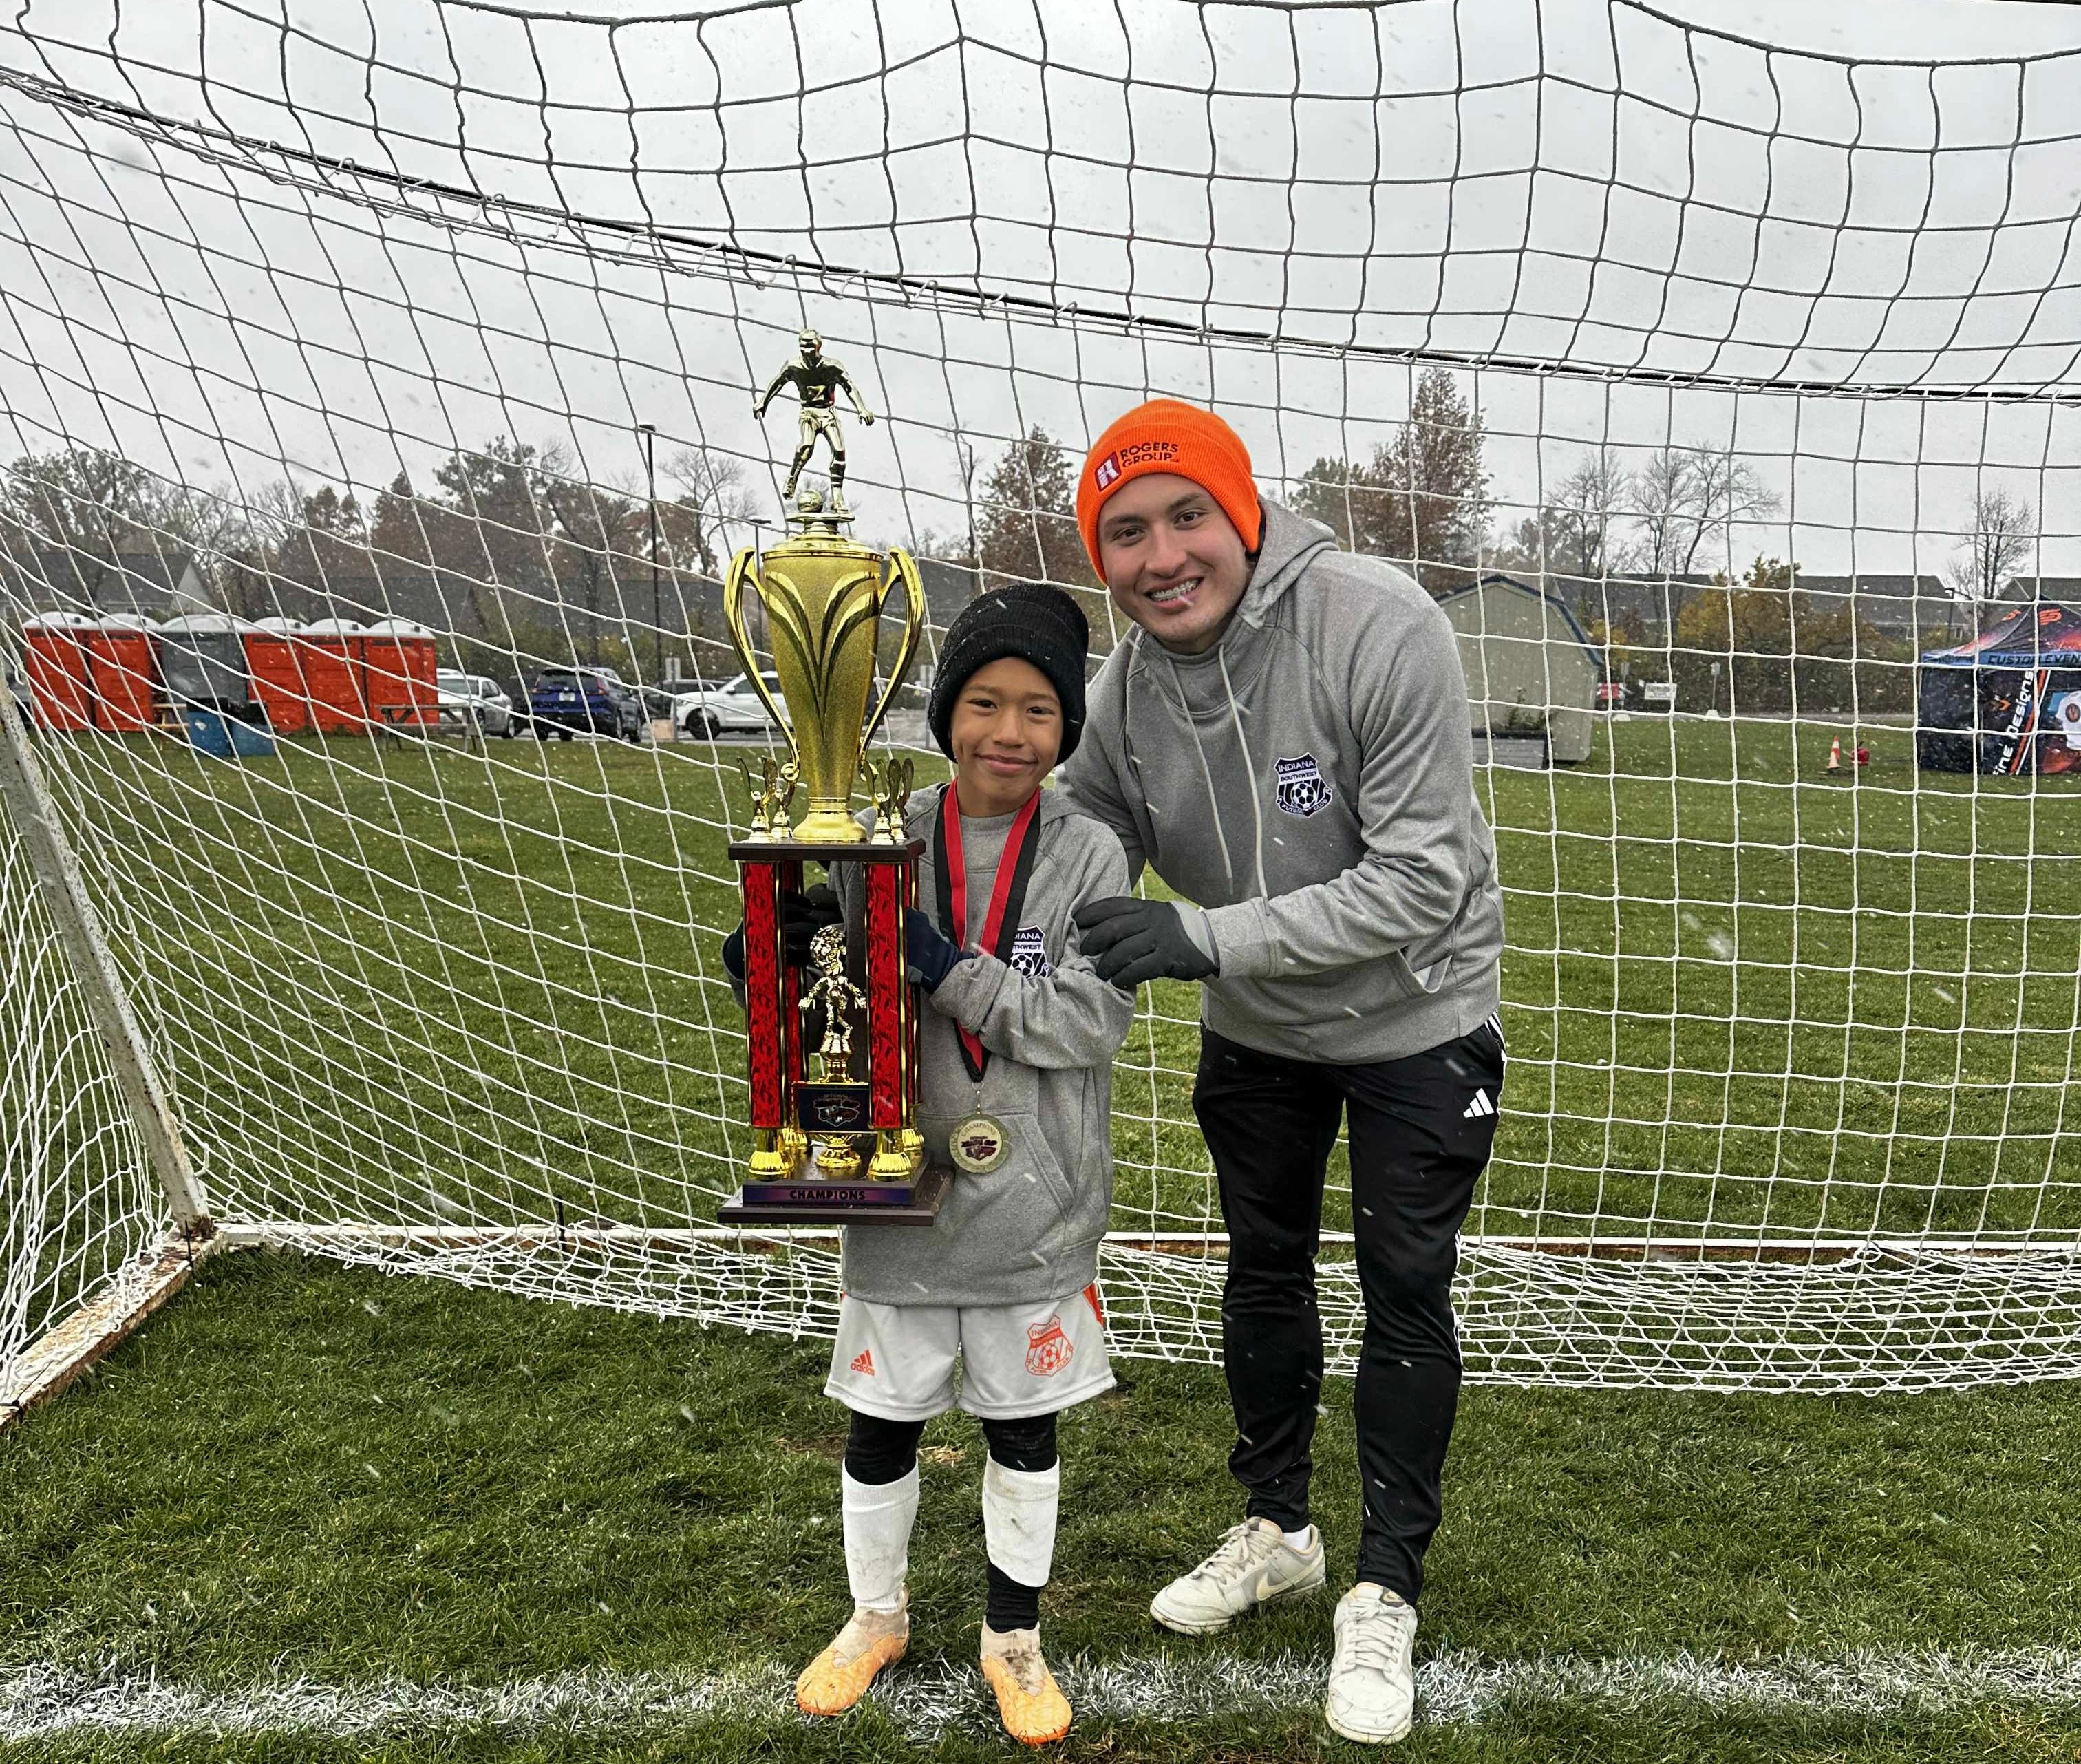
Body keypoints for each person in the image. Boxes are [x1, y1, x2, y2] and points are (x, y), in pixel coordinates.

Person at [1058, 399, 1507, 1747]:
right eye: (1125, 534)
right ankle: (1279, 1530)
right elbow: (1072, 826)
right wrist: (895, 894)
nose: (1162, 557)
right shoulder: (1123, 693)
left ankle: (1386, 1586)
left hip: (1415, 1019)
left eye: (1187, 515)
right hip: (1259, 1029)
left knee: (1403, 1284)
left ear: (1244, 512)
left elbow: (1422, 881)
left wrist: (1204, 937)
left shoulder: (1378, 624)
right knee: (1262, 1270)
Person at [723, 583, 1133, 1746]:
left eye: (1040, 711)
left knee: (1023, 1433)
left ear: (1067, 729)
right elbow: (834, 1012)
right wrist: (775, 962)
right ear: (947, 712)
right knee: (880, 1425)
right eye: (986, 703)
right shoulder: (879, 835)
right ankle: (876, 1618)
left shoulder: (1091, 851)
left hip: (1033, 1209)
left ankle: (1015, 1640)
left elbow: (1090, 1022)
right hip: (895, 1200)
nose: (1010, 732)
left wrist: (948, 966)